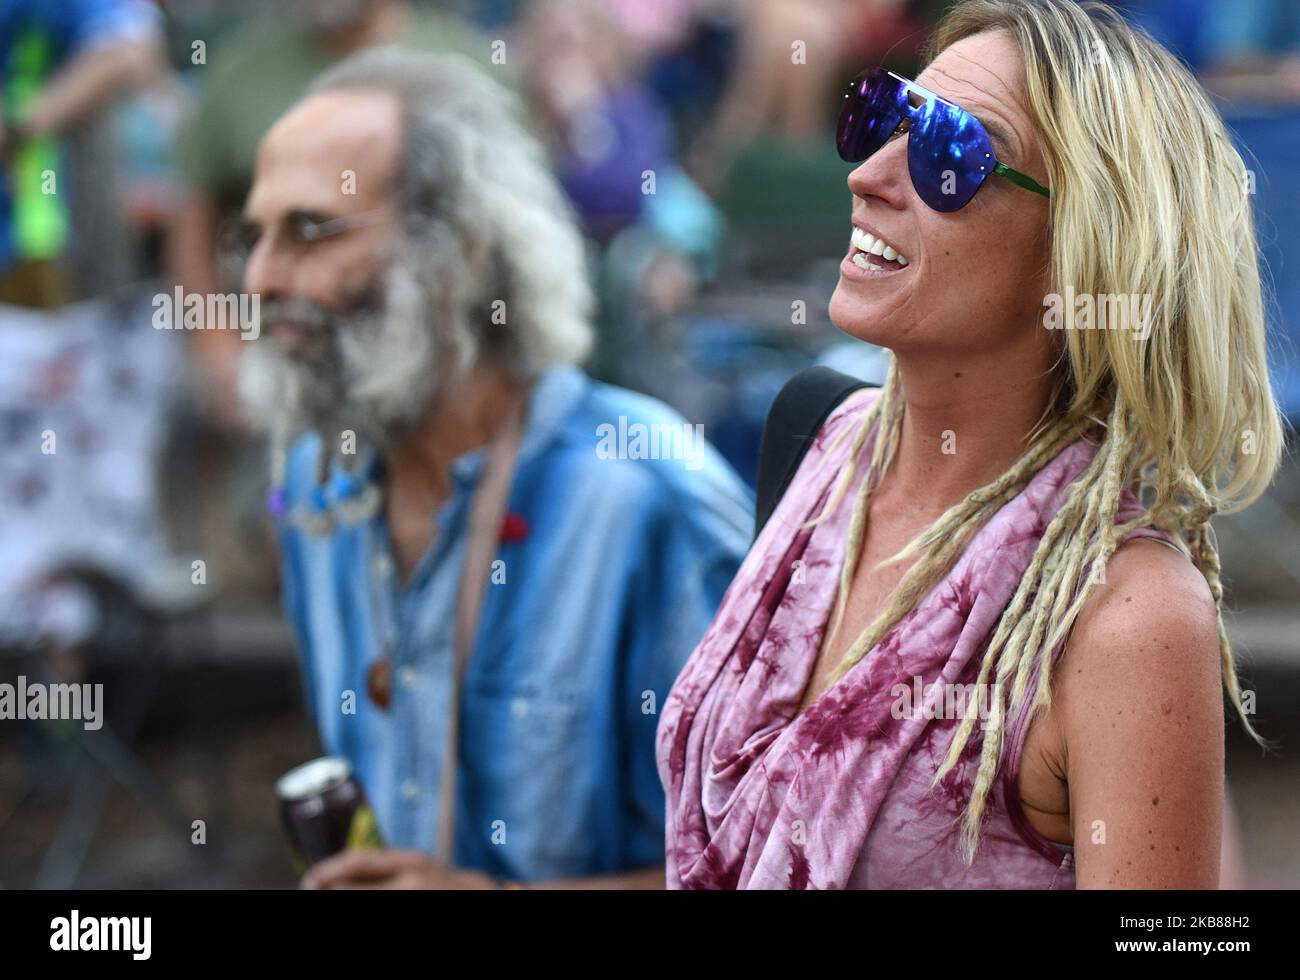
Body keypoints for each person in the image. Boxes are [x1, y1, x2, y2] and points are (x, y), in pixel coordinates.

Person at [658, 0, 1284, 889]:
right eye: (884, 115)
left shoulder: (1125, 619)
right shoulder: (816, 438)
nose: (869, 174)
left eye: (948, 152)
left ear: (1085, 251)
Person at [235, 48, 753, 888]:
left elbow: (773, 864)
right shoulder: (314, 485)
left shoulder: (645, 500)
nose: (258, 278)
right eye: (252, 235)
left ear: (458, 252)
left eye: (311, 231)